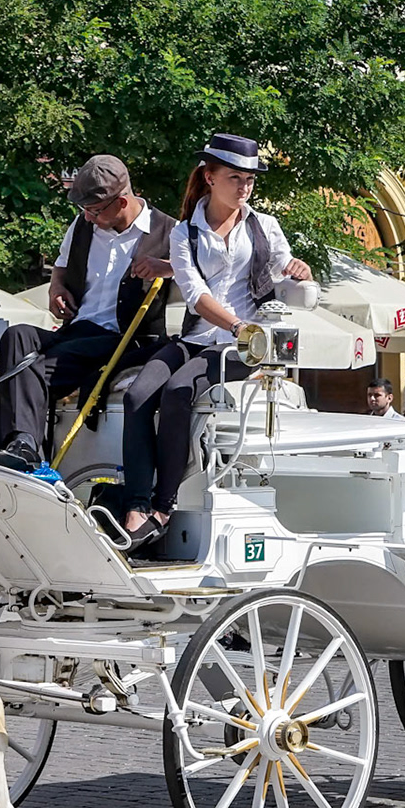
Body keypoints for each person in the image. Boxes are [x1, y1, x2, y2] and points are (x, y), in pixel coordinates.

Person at [120, 134, 312, 548]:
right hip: (203, 335)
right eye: (235, 178)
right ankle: (135, 502)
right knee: (136, 395)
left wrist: (301, 269)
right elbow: (196, 296)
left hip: (248, 345)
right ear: (209, 177)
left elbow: (288, 272)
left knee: (177, 390)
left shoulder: (265, 226)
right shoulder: (185, 232)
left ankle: (162, 506)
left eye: (250, 180)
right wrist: (235, 324)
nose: (244, 187)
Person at [0, 155, 176, 471]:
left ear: (123, 202)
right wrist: (55, 289)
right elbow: (61, 266)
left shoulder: (170, 232)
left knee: (21, 373)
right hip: (77, 330)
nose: (88, 217)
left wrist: (166, 267)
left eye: (95, 210)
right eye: (84, 210)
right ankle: (24, 446)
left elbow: (200, 275)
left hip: (124, 339)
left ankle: (19, 448)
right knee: (17, 336)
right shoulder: (81, 226)